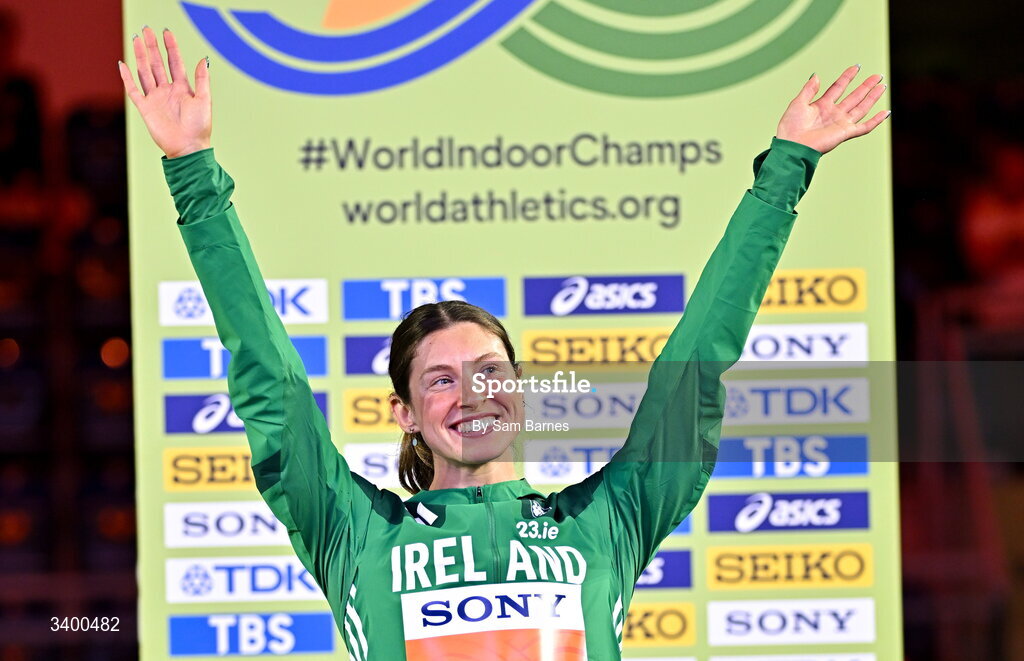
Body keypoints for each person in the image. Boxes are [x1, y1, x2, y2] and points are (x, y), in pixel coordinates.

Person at [120, 26, 889, 661]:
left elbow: (695, 367)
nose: (473, 394)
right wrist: (192, 172)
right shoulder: (354, 531)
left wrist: (786, 168)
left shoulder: (605, 520)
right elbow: (274, 383)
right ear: (404, 412)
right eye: (441, 380)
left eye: (490, 371)